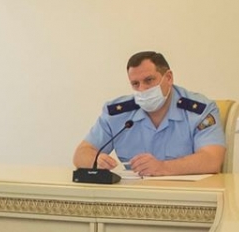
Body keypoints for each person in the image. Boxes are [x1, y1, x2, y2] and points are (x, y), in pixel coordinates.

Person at [71, 51, 225, 177]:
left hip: (187, 196)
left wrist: (163, 167)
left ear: (168, 78)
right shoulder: (117, 114)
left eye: (149, 80)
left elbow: (212, 160)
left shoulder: (199, 110)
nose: (142, 89)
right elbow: (81, 154)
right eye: (135, 84)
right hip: (135, 197)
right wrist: (96, 160)